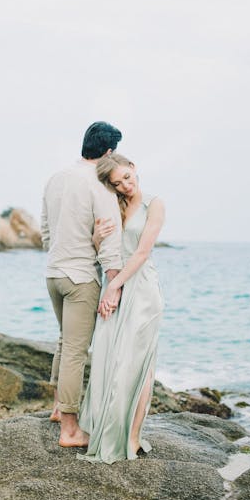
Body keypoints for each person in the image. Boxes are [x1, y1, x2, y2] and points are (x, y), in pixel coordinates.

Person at [78, 152, 165, 464]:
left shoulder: (154, 203)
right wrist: (96, 238)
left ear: (133, 168)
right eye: (118, 183)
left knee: (137, 365)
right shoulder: (113, 205)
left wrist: (114, 287)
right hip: (114, 287)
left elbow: (141, 253)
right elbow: (107, 250)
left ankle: (132, 437)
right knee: (108, 360)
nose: (126, 186)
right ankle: (102, 430)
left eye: (127, 177)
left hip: (141, 291)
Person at [41, 122, 123, 448]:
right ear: (107, 152)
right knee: (76, 351)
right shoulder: (98, 184)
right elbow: (110, 240)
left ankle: (58, 408)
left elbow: (46, 231)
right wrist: (113, 284)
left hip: (54, 273)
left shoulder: (55, 179)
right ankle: (70, 430)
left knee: (65, 342)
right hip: (81, 278)